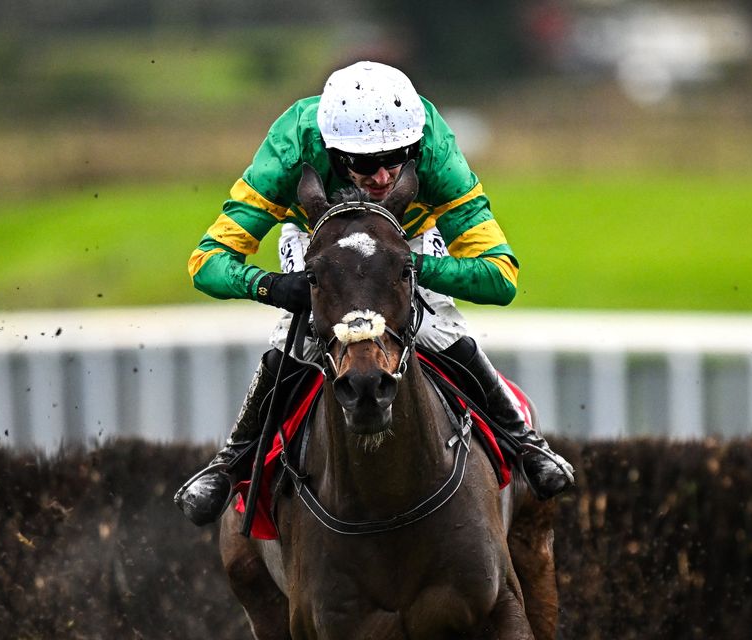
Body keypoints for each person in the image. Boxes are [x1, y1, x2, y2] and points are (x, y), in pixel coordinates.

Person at [175, 61, 574, 526]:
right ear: (332, 150)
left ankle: (524, 442)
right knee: (297, 342)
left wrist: (404, 269)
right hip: (321, 243)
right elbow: (206, 262)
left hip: (406, 242)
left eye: (398, 158)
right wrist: (269, 285)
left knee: (440, 329)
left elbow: (501, 277)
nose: (383, 177)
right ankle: (231, 462)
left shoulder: (434, 147)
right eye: (365, 164)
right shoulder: (291, 145)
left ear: (414, 144)